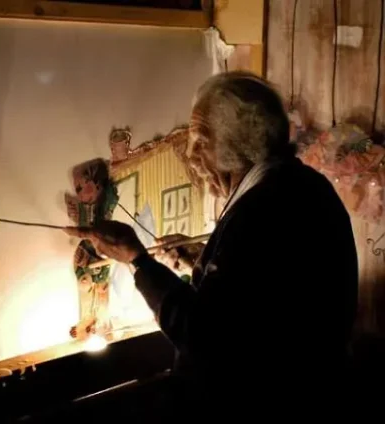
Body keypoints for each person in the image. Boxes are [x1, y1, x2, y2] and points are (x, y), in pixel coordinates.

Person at [64, 72, 358, 414]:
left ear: (241, 142)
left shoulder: (263, 210)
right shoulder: (302, 185)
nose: (191, 155)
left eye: (201, 141)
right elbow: (259, 295)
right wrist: (199, 260)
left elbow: (203, 335)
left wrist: (137, 259)